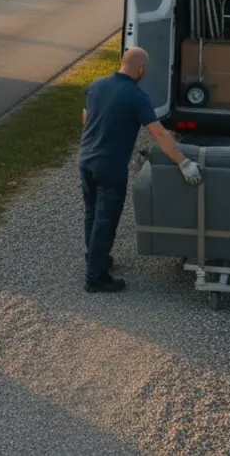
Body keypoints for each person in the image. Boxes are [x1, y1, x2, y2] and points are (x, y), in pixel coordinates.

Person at [79, 46, 201, 293]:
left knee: (92, 211)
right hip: (110, 166)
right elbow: (157, 133)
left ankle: (96, 257)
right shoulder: (136, 96)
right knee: (106, 218)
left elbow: (86, 118)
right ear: (141, 69)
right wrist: (183, 162)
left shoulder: (97, 85)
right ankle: (96, 277)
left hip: (86, 160)